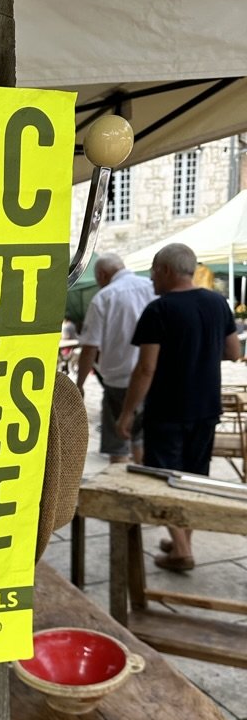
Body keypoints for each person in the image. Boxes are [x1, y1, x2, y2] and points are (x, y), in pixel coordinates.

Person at [117, 243, 241, 571]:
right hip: (206, 406)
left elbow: (146, 369)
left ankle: (182, 551)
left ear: (166, 271)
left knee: (163, 476)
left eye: (153, 271)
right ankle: (181, 540)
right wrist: (200, 349)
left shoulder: (159, 310)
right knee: (194, 476)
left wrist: (127, 413)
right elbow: (234, 352)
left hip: (167, 409)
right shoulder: (217, 303)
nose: (151, 278)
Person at [76, 253, 156, 463]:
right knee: (142, 442)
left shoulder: (104, 297)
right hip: (152, 379)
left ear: (102, 274)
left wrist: (80, 384)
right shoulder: (152, 287)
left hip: (118, 382)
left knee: (118, 448)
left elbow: (89, 348)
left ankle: (119, 483)